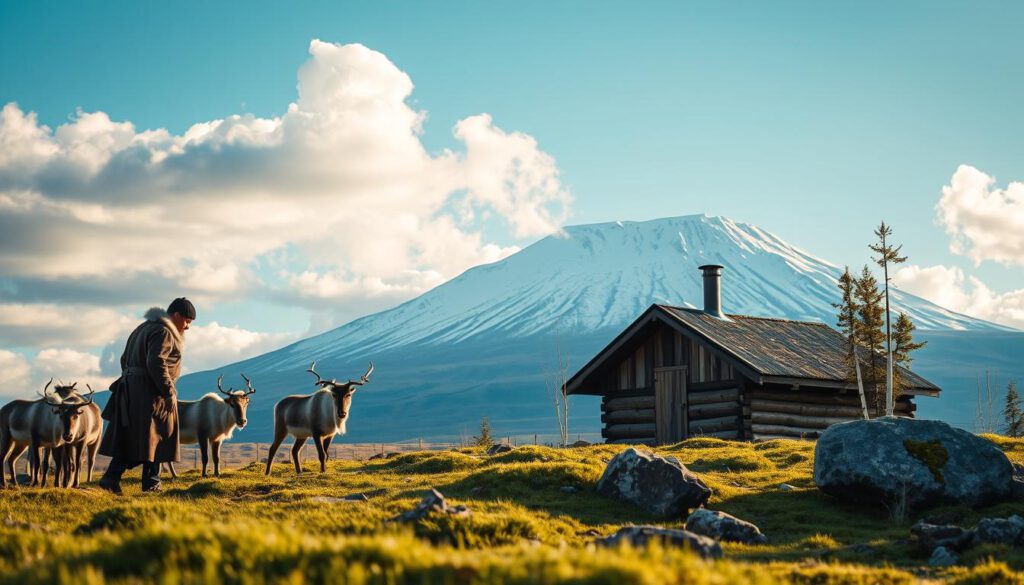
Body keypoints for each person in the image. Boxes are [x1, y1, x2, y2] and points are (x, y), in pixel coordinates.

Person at [97, 298, 195, 494]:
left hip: (132, 389)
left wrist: (132, 381)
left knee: (133, 437)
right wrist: (167, 391)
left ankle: (111, 478)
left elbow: (124, 359)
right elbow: (156, 362)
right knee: (158, 435)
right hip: (152, 393)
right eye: (187, 321)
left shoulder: (142, 328)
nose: (187, 327)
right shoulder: (164, 332)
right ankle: (151, 483)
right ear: (176, 316)